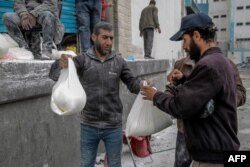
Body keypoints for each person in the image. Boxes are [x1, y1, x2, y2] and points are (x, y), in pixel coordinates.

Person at [141, 13, 241, 167]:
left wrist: (155, 96)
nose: (183, 47)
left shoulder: (208, 65)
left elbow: (181, 107)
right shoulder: (220, 61)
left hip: (212, 159)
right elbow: (208, 94)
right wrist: (184, 81)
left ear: (196, 36)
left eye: (185, 40)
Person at [49, 21, 152, 167]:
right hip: (88, 124)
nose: (109, 42)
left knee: (115, 164)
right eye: (104, 37)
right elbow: (54, 76)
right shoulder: (82, 60)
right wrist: (60, 64)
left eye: (111, 38)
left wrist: (142, 84)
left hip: (113, 125)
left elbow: (132, 83)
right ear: (93, 37)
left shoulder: (119, 62)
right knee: (86, 164)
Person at [166, 55, 246, 167]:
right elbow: (171, 89)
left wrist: (219, 102)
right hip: (186, 130)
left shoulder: (227, 64)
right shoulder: (182, 64)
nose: (185, 45)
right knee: (181, 163)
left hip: (217, 130)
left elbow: (240, 93)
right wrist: (168, 99)